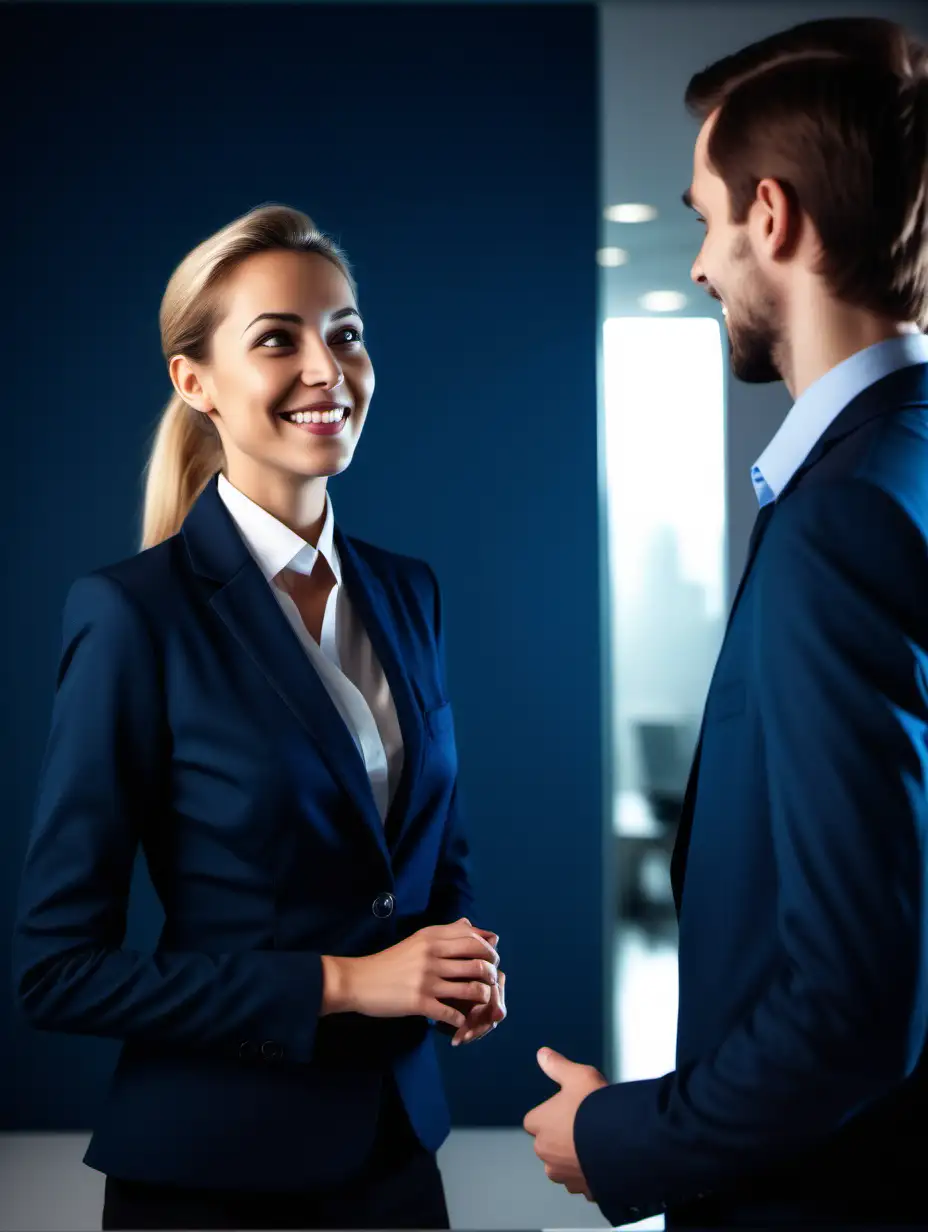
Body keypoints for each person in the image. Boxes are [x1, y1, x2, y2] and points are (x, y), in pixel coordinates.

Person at [12, 204, 506, 1231]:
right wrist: (344, 982)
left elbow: (424, 853)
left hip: (397, 1155)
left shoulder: (409, 593)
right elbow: (55, 971)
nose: (327, 367)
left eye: (346, 332)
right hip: (212, 1177)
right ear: (195, 383)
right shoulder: (130, 615)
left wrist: (455, 959)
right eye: (278, 337)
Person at [524, 16, 928, 1228]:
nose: (699, 264)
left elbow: (853, 1007)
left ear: (771, 215)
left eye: (703, 218)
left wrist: (620, 1135)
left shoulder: (839, 525)